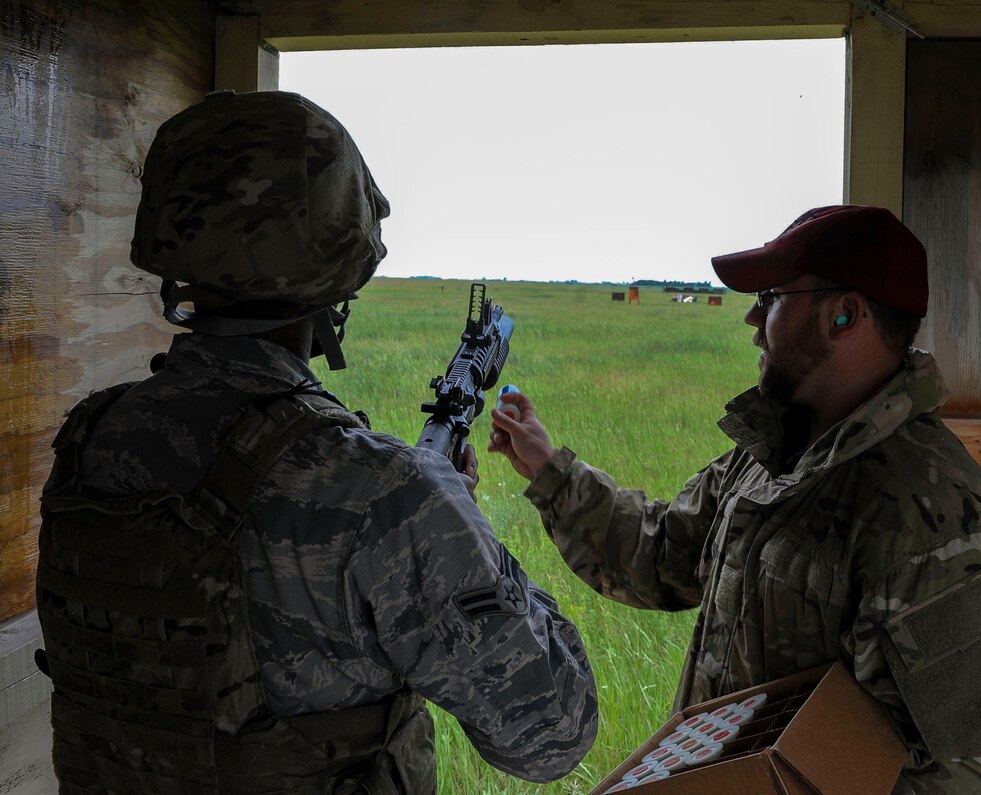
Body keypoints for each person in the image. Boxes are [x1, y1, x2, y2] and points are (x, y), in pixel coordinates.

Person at [36, 90, 596, 794]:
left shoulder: (89, 441)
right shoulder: (382, 494)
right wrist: (456, 515)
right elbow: (553, 733)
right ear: (340, 263)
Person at [488, 204, 981, 794]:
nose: (753, 318)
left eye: (774, 297)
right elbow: (663, 558)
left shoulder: (931, 520)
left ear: (843, 316)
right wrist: (549, 472)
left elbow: (977, 778)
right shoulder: (774, 456)